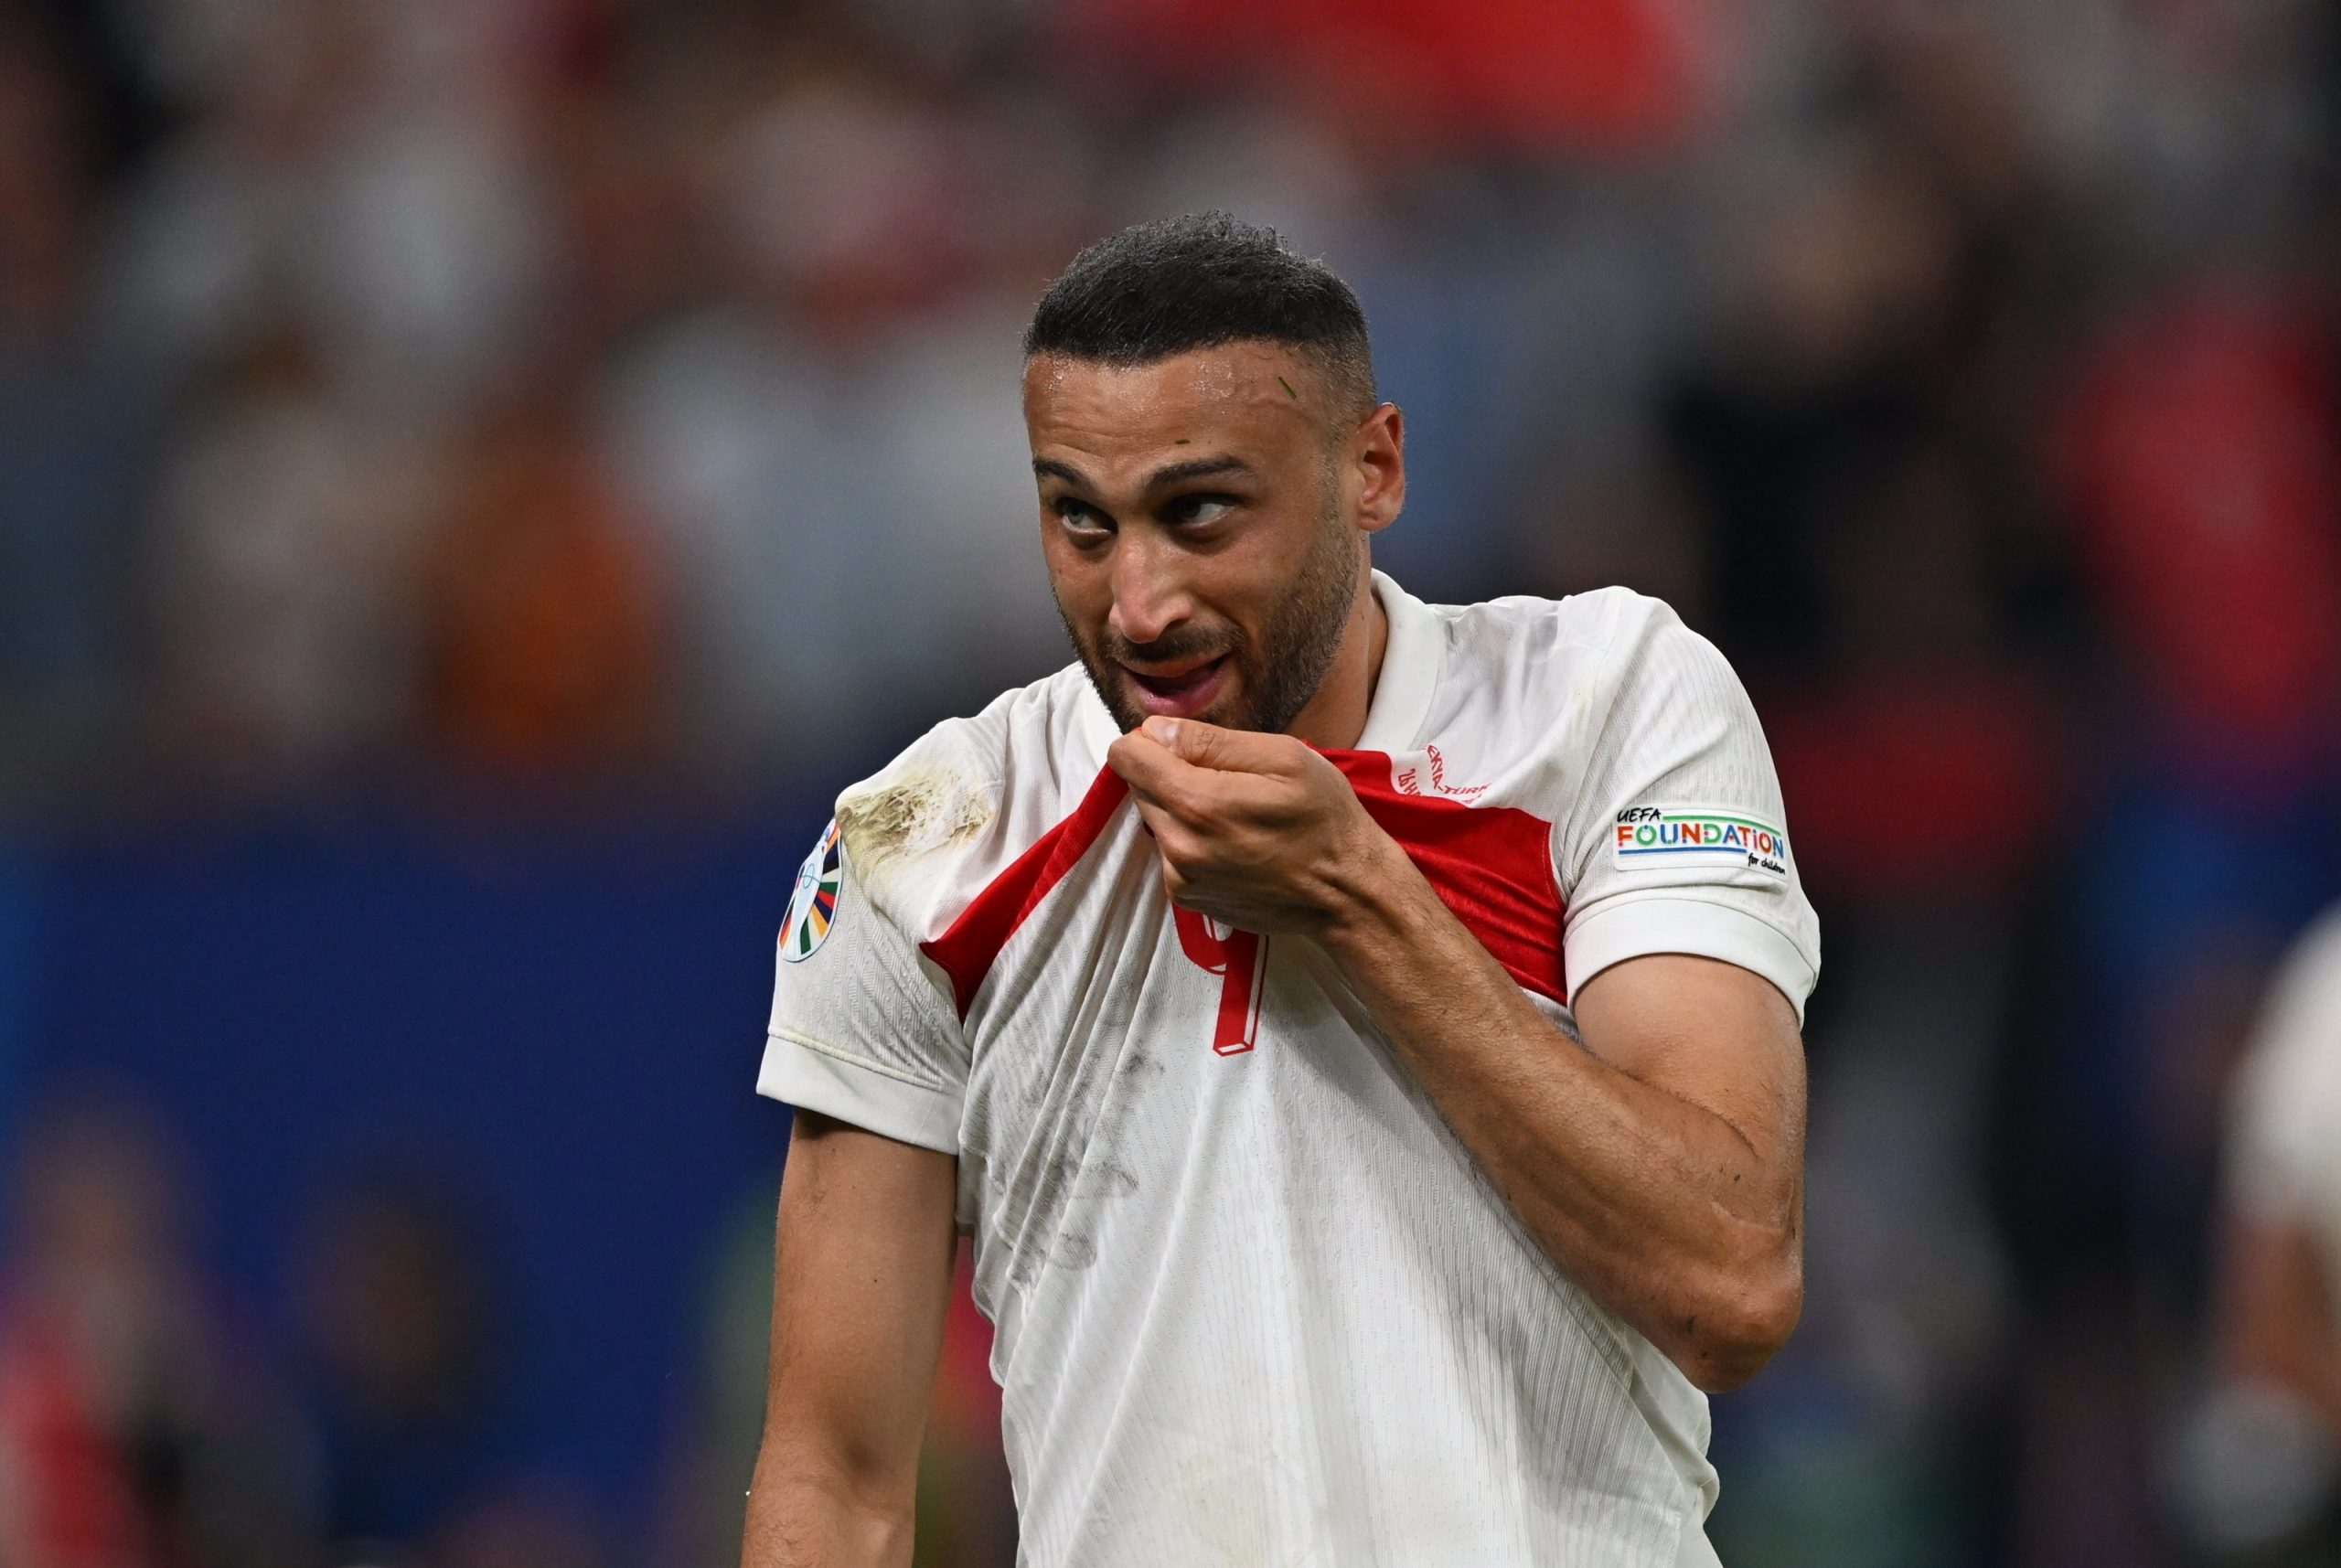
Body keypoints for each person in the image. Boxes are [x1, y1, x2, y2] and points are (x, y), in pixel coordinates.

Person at [742, 213, 1820, 1568]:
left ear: (1372, 468)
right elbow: (836, 1482)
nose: (1138, 601)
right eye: (1081, 519)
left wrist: (1358, 891)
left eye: (1200, 514)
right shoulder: (923, 838)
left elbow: (1730, 1280)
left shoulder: (1611, 704)